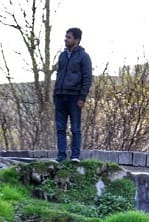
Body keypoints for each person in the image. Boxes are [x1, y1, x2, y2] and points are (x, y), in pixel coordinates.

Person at [53, 27, 92, 163]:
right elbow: (59, 74)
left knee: (75, 128)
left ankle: (75, 156)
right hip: (60, 96)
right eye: (66, 37)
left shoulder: (84, 57)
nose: (66, 39)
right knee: (60, 128)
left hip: (75, 97)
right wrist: (55, 93)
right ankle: (61, 156)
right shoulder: (62, 56)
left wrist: (82, 97)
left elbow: (87, 78)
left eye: (69, 37)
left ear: (77, 40)